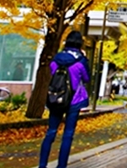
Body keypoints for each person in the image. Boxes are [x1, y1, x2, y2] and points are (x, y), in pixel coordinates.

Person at [38, 31, 91, 168]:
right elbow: (86, 79)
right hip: (74, 100)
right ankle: (61, 166)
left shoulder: (56, 59)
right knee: (68, 134)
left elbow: (51, 73)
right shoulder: (81, 60)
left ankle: (42, 165)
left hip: (57, 98)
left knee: (51, 132)